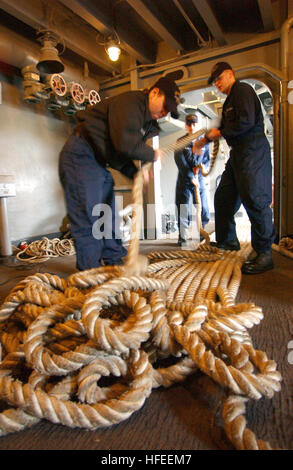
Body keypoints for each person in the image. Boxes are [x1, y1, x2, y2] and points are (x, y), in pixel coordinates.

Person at [59, 77, 182, 270]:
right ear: (154, 92)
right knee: (88, 217)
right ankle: (91, 273)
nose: (164, 112)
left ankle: (115, 261)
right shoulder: (131, 102)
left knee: (108, 215)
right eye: (164, 106)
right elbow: (124, 143)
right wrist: (152, 153)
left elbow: (117, 152)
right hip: (80, 155)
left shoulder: (142, 115)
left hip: (97, 161)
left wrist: (135, 173)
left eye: (168, 111)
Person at [195, 62, 275, 274]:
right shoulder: (230, 100)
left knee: (256, 200)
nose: (217, 84)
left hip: (252, 151)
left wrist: (217, 134)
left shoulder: (242, 91)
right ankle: (228, 240)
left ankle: (265, 253)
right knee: (223, 197)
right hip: (238, 154)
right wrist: (203, 140)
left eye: (219, 79)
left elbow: (246, 122)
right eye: (215, 82)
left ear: (230, 73)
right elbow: (223, 129)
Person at [174, 114, 210, 245]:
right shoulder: (180, 142)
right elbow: (180, 161)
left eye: (194, 124)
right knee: (183, 207)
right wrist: (190, 177)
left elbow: (206, 160)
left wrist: (201, 170)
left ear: (198, 124)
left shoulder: (204, 141)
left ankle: (201, 232)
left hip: (199, 178)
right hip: (184, 178)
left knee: (204, 208)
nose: (192, 127)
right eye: (189, 124)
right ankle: (182, 237)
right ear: (186, 125)